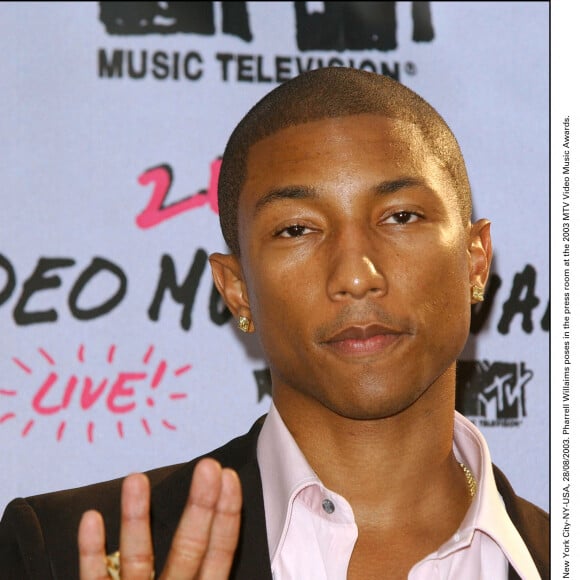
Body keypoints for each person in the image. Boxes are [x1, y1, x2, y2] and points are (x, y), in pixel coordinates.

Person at [0, 67, 549, 579]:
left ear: (475, 260)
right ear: (236, 289)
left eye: (400, 217)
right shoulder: (60, 553)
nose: (356, 277)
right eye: (296, 230)